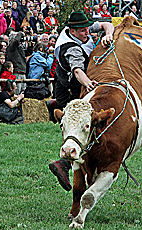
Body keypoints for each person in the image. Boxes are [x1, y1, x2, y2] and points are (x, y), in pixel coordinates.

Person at [47, 10, 114, 192]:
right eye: (83, 31)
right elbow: (77, 71)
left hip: (70, 81)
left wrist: (108, 34)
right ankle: (64, 163)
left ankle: (55, 107)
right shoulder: (72, 48)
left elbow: (107, 24)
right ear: (73, 31)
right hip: (71, 87)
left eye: (87, 29)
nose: (88, 33)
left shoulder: (80, 28)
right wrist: (90, 86)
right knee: (80, 126)